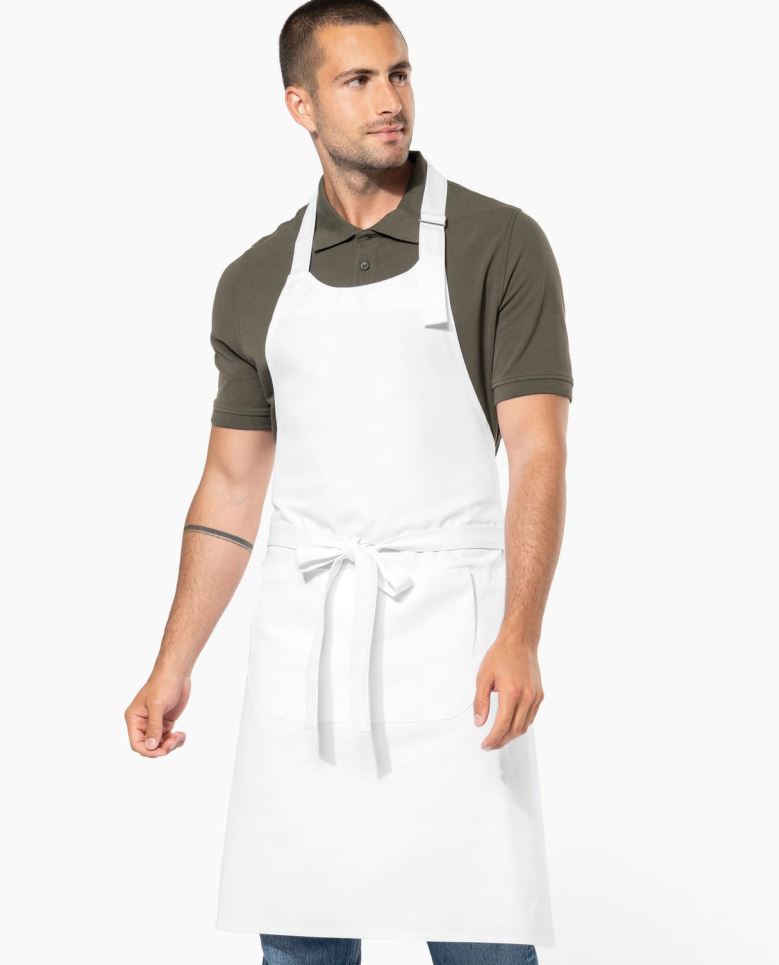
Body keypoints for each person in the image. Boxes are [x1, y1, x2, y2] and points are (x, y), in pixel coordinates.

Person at [124, 1, 573, 962]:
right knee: (300, 936)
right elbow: (229, 486)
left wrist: (521, 633)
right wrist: (173, 662)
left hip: (457, 652)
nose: (390, 100)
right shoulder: (255, 279)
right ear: (301, 105)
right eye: (358, 80)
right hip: (306, 652)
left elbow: (539, 450)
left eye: (399, 74)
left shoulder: (498, 243)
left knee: (482, 935)